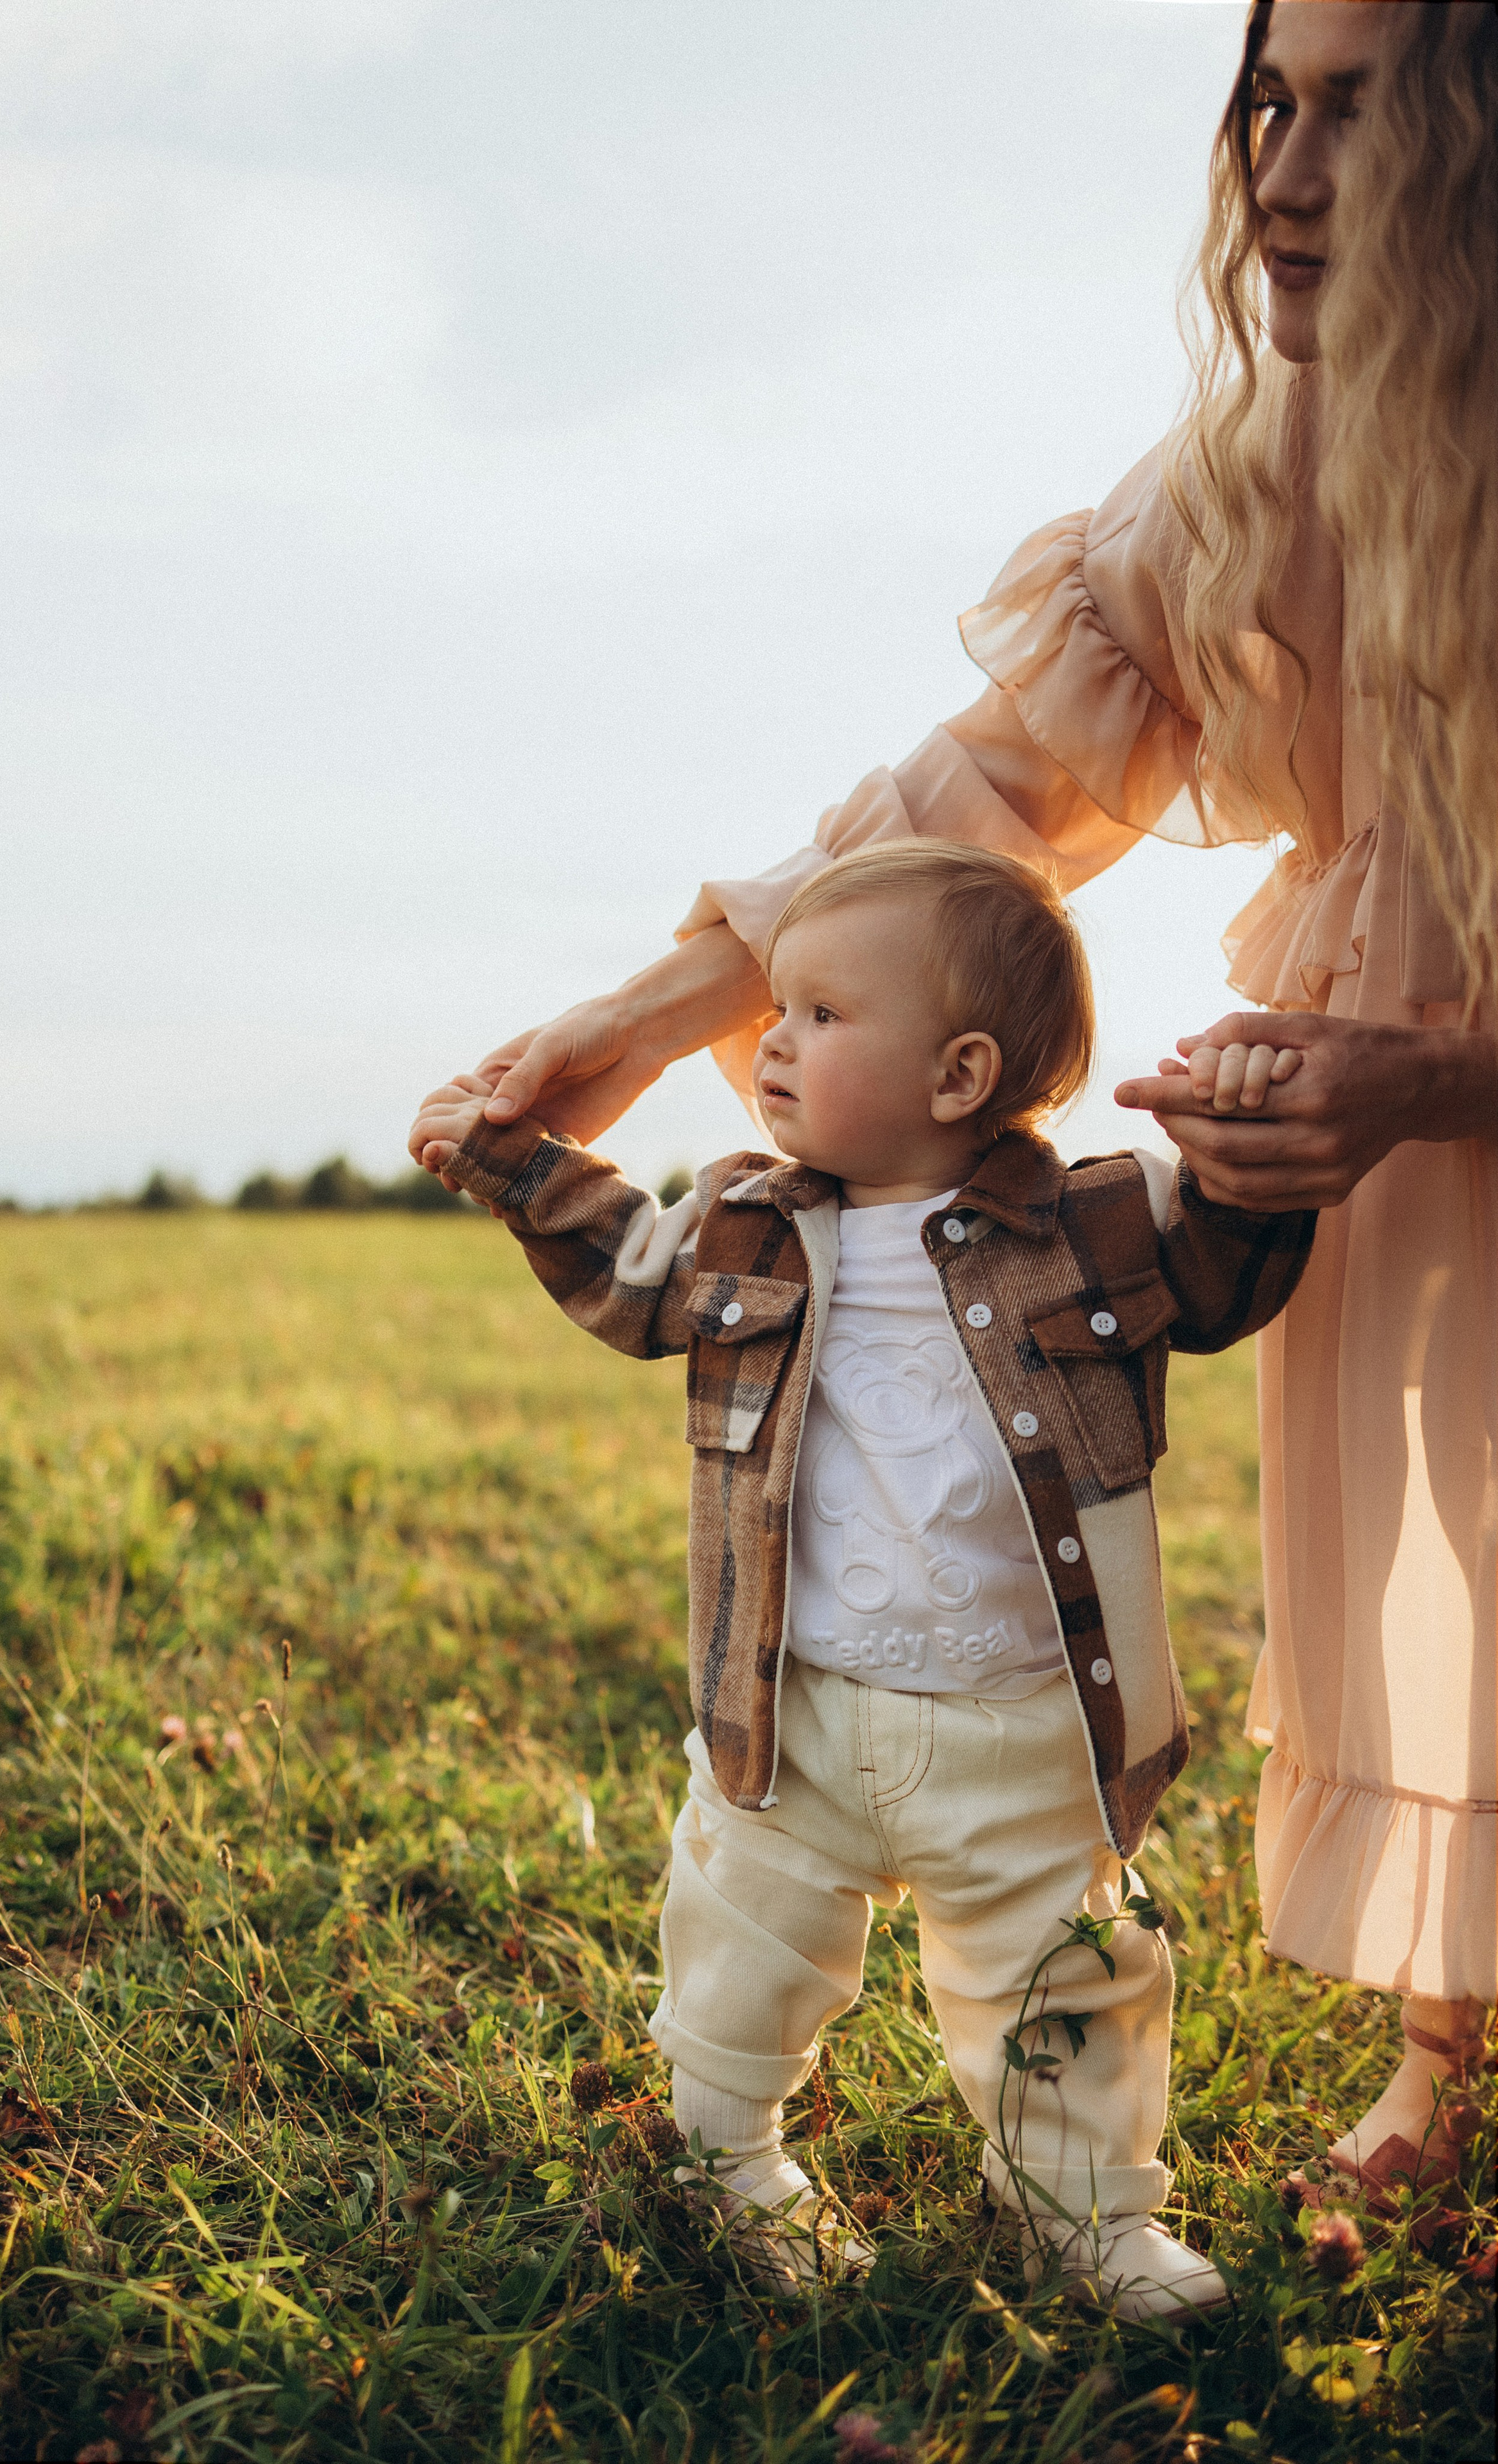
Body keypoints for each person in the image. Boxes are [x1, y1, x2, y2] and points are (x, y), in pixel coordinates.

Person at [410, 1, 1497, 2203]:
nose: (1283, 175)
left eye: (1363, 114)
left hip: (1434, 1076)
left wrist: (1445, 1068)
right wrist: (634, 1023)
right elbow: (981, 801)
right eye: (1269, 103)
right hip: (1375, 1114)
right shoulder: (1251, 472)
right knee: (1431, 1560)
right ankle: (1446, 2058)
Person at [416, 841, 1316, 2314]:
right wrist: (509, 1159)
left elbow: (1224, 1275)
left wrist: (1241, 1152)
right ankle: (727, 2167)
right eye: (781, 1007)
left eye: (823, 1015)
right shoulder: (744, 1221)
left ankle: (1078, 2216)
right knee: (739, 1950)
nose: (771, 1038)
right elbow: (626, 1273)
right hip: (796, 1700)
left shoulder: (1095, 1221)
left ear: (957, 1074)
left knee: (1063, 1979)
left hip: (1022, 1717)